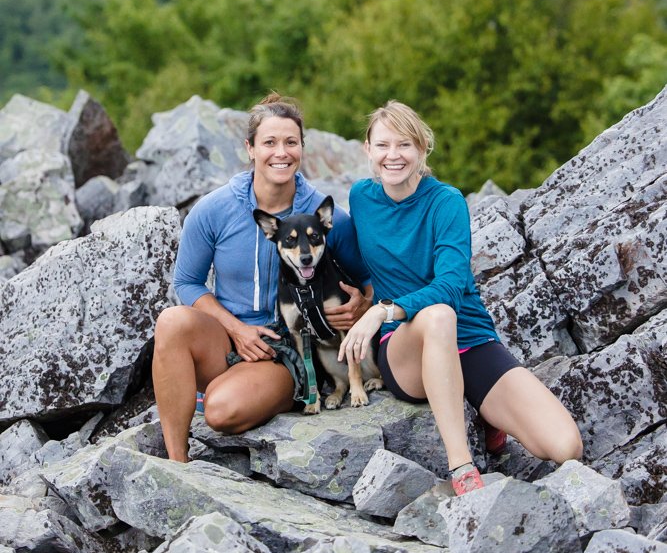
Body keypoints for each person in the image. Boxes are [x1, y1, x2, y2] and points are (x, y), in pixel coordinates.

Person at [339, 100, 583, 495]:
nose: (393, 156)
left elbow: (452, 285)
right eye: (383, 145)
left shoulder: (446, 202)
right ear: (367, 149)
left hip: (469, 340)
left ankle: (487, 417)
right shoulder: (362, 198)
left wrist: (380, 310)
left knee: (565, 445)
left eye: (404, 145)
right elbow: (348, 251)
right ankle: (462, 465)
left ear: (422, 149)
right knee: (436, 317)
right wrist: (360, 298)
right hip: (407, 348)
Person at [153, 93, 372, 462]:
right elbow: (186, 282)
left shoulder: (323, 216)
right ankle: (178, 463)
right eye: (269, 142)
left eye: (290, 142)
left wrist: (361, 305)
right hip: (227, 337)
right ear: (250, 149)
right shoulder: (214, 209)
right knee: (172, 321)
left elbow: (367, 276)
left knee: (220, 412)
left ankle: (260, 391)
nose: (280, 152)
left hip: (284, 350)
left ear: (302, 147)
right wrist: (236, 329)